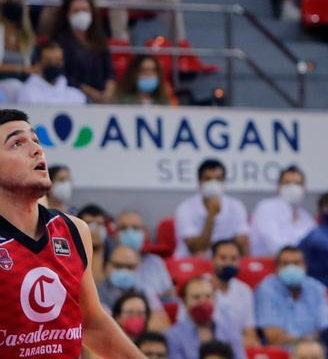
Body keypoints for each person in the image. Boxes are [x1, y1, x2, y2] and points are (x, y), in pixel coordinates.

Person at [0, 108, 143, 357]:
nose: (36, 149)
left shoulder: (73, 229)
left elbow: (92, 323)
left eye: (35, 140)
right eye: (17, 143)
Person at [254, 246, 328, 347]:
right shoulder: (266, 289)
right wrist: (307, 340)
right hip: (282, 352)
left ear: (305, 266)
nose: (291, 268)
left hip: (312, 352)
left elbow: (325, 332)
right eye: (285, 264)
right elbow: (273, 337)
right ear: (277, 268)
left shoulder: (316, 288)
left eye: (296, 263)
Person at [173, 158, 250, 257]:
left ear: (224, 181)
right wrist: (211, 215)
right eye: (208, 179)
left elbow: (242, 244)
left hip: (224, 260)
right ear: (199, 181)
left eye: (218, 179)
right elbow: (197, 248)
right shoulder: (185, 208)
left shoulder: (236, 206)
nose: (213, 184)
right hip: (192, 262)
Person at [54, 0, 116, 103]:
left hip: (101, 97)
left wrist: (108, 92)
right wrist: (89, 91)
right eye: (76, 11)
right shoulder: (59, 42)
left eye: (85, 10)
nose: (81, 15)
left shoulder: (100, 40)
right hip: (72, 98)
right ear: (67, 14)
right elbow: (63, 75)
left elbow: (110, 72)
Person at [166, 275, 246, 359]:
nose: (203, 301)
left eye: (208, 296)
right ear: (185, 302)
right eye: (196, 297)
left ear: (215, 300)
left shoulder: (230, 329)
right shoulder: (173, 336)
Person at [250, 166, 315, 257]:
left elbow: (314, 245)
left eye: (298, 184)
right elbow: (274, 246)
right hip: (269, 262)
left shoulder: (306, 217)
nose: (293, 188)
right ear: (278, 187)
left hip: (298, 262)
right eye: (287, 183)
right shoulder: (266, 208)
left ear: (304, 188)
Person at [113, 210, 174, 304]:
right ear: (115, 234)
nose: (130, 233)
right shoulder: (108, 262)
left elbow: (170, 295)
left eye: (135, 228)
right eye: (123, 228)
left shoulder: (155, 262)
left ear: (144, 233)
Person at [211, 239, 259, 349]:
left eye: (233, 259)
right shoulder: (199, 286)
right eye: (223, 258)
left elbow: (250, 333)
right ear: (212, 260)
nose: (228, 263)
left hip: (237, 348)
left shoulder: (244, 291)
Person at [16, 42, 87, 105]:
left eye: (57, 60)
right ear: (38, 63)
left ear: (63, 62)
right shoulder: (27, 93)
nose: (53, 63)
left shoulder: (77, 96)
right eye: (48, 60)